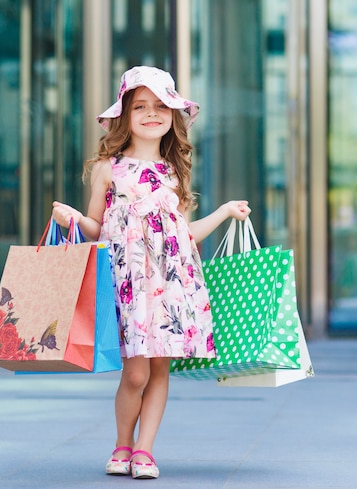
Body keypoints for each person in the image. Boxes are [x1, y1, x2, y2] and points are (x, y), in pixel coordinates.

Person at [52, 66, 251, 480]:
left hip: (171, 284)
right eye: (141, 105)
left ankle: (145, 450)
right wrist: (72, 218)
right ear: (124, 115)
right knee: (136, 371)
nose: (151, 113)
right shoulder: (110, 168)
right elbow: (95, 226)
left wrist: (224, 212)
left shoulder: (173, 173)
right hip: (128, 283)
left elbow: (184, 234)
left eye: (161, 106)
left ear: (173, 116)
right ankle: (122, 443)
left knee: (159, 369)